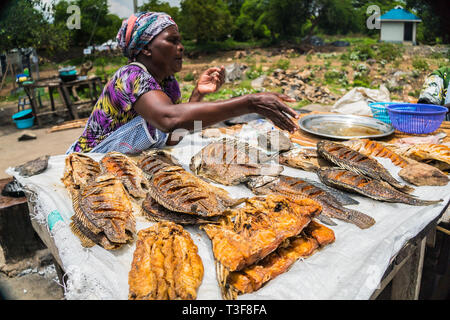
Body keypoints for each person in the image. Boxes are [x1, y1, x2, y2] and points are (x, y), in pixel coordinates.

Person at [66, 12, 299, 155]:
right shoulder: (131, 76)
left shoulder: (168, 85)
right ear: (145, 48)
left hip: (123, 163)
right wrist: (251, 103)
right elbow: (169, 119)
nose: (181, 47)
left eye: (181, 41)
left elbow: (172, 136)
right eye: (172, 40)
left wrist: (197, 95)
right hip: (89, 162)